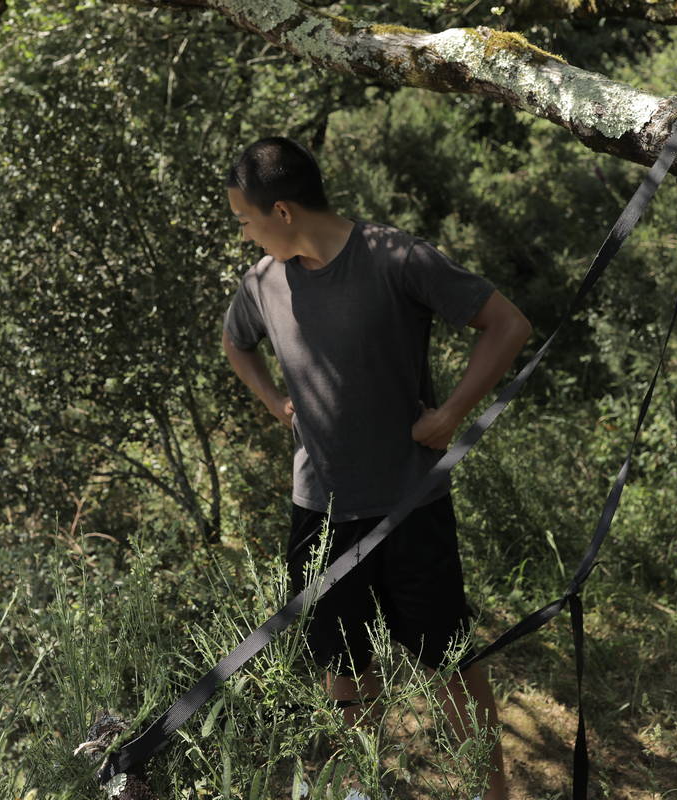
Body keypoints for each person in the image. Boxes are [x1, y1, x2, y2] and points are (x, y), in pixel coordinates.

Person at [220, 136, 531, 800]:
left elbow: (507, 325)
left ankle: (493, 795)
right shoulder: (264, 282)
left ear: (282, 211)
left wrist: (450, 415)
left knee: (448, 663)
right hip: (320, 512)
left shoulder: (396, 258)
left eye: (245, 220)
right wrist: (275, 402)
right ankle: (358, 787)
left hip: (409, 506)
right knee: (342, 665)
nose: (244, 234)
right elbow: (235, 342)